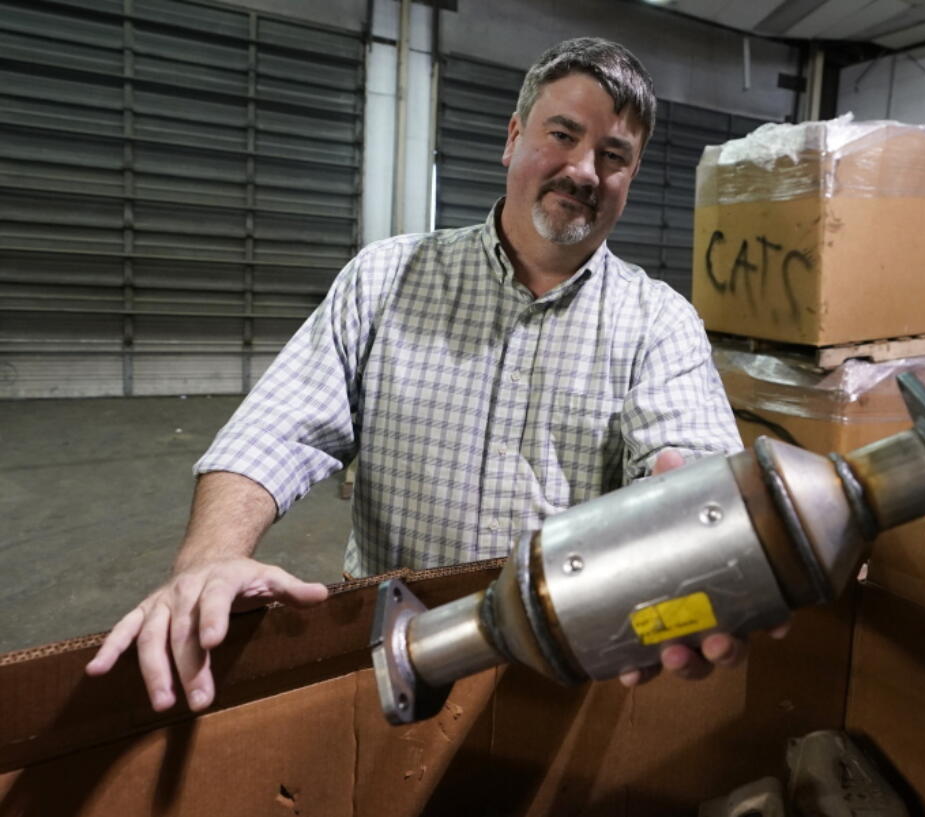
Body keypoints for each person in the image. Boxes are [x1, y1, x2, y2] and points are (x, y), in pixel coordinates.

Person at [86, 37, 749, 712]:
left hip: (561, 658)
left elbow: (692, 468)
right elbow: (277, 429)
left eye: (614, 156)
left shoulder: (659, 322)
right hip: (385, 643)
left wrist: (698, 530)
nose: (584, 170)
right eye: (563, 134)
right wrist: (210, 558)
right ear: (513, 137)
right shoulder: (386, 278)